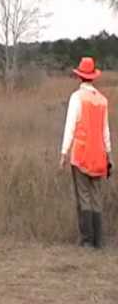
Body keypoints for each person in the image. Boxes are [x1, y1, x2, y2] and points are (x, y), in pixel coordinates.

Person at [60, 57, 111, 249]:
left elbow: (70, 127)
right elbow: (105, 131)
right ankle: (98, 241)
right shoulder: (102, 100)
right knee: (96, 197)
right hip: (99, 156)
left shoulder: (77, 98)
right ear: (93, 77)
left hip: (81, 155)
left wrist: (64, 153)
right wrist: (109, 155)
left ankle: (87, 240)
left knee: (84, 196)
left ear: (79, 76)